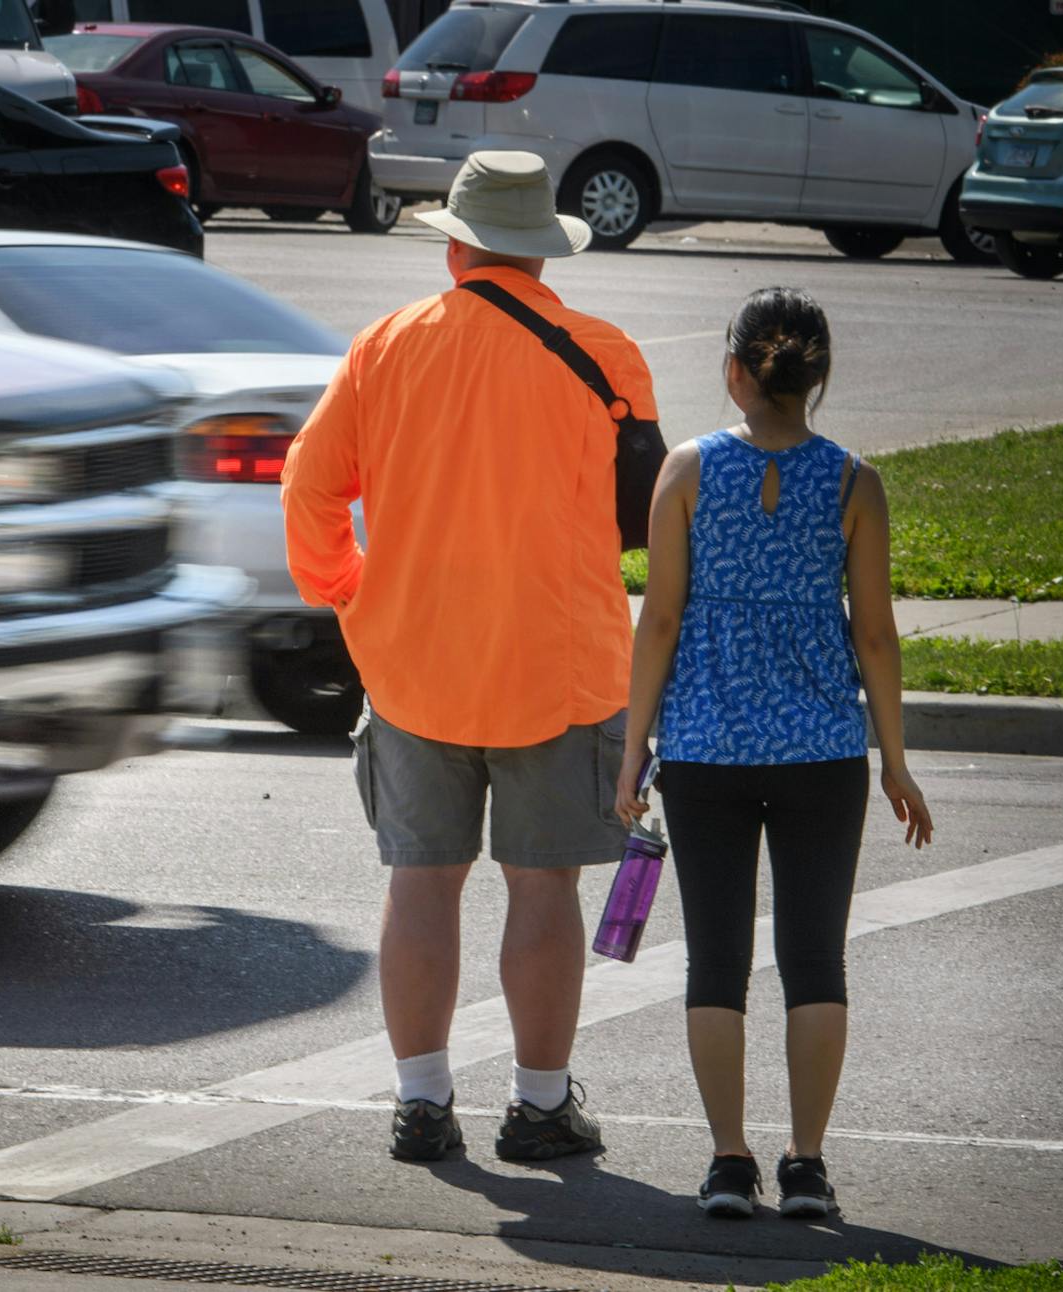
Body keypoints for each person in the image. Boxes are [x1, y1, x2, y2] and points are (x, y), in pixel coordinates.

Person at [281, 151, 659, 1164]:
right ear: (543, 249)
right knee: (543, 889)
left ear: (453, 245)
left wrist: (347, 588)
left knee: (421, 882)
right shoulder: (607, 353)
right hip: (559, 662)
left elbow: (309, 490)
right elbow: (641, 518)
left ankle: (421, 1100)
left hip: (414, 662)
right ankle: (540, 1105)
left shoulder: (386, 346)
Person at [613, 287, 933, 1220]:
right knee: (814, 959)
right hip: (823, 751)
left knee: (714, 960)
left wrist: (636, 749)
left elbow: (661, 618)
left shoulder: (685, 470)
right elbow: (875, 634)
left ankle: (726, 1164)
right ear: (818, 378)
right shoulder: (852, 483)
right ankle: (807, 1165)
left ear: (733, 371)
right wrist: (896, 759)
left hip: (707, 747)